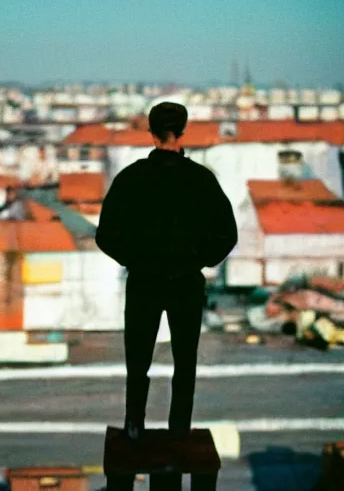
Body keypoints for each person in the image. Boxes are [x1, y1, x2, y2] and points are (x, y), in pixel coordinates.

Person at [95, 102, 238, 441]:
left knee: (138, 362)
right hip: (186, 282)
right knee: (185, 363)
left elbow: (105, 235)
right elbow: (227, 235)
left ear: (151, 132)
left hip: (144, 281)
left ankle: (134, 427)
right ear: (183, 131)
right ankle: (178, 431)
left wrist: (136, 259)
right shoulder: (201, 180)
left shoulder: (131, 178)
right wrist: (196, 260)